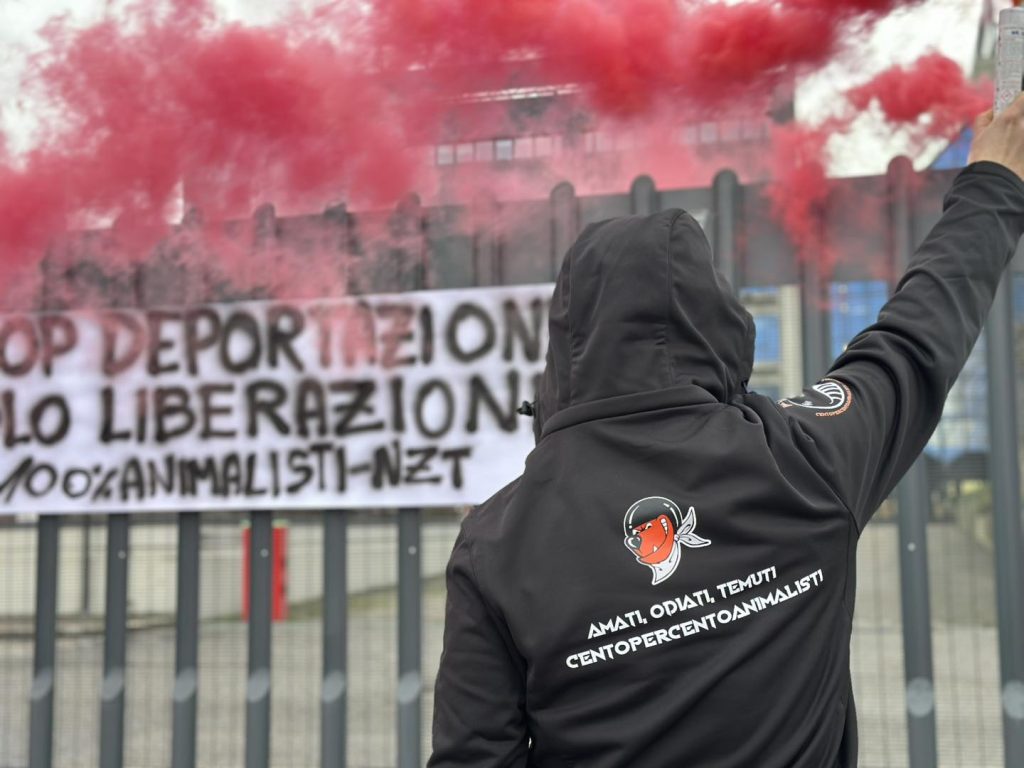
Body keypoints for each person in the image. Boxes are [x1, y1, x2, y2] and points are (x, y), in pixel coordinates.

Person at [427, 98, 1024, 767]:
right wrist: (996, 183)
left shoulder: (495, 541)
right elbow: (918, 337)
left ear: (567, 343)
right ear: (721, 325)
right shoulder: (802, 460)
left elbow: (473, 757)